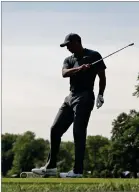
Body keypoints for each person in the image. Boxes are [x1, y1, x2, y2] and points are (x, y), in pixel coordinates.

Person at [32, 33, 107, 178]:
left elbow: (102, 77)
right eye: (66, 46)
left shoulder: (94, 55)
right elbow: (64, 73)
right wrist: (79, 69)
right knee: (55, 129)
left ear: (77, 42)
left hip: (85, 96)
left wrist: (101, 94)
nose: (68, 48)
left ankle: (77, 171)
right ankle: (51, 166)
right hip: (70, 97)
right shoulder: (69, 59)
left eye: (69, 45)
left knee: (78, 132)